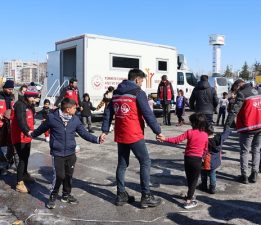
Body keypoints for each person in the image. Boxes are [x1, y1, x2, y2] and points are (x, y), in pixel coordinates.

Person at [101, 69, 162, 208]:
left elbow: (108, 112)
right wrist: (157, 131)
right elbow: (148, 113)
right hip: (134, 134)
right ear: (136, 80)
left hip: (121, 134)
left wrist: (105, 130)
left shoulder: (116, 93)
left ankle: (121, 195)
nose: (141, 84)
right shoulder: (138, 93)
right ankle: (146, 195)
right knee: (145, 162)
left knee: (122, 165)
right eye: (141, 81)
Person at [30, 98, 104, 209]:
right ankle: (53, 196)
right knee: (59, 176)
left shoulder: (75, 120)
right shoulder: (52, 118)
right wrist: (31, 134)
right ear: (68, 109)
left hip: (71, 153)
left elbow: (84, 133)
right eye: (75, 108)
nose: (77, 110)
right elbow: (40, 129)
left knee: (68, 176)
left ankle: (66, 195)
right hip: (57, 153)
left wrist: (97, 139)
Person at [157, 113, 208, 209]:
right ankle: (189, 201)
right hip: (197, 160)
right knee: (194, 180)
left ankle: (190, 195)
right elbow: (205, 150)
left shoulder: (189, 132)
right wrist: (203, 158)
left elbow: (176, 140)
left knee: (189, 178)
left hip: (188, 158)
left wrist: (165, 139)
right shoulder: (205, 135)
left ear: (194, 123)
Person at [225, 79, 261, 184]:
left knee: (245, 151)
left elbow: (234, 110)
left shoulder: (242, 94)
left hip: (248, 127)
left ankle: (244, 176)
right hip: (259, 125)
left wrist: (227, 125)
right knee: (256, 150)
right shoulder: (258, 91)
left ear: (238, 85)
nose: (235, 91)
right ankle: (254, 173)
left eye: (235, 88)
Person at [11, 85, 39, 193]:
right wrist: (27, 131)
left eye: (36, 97)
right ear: (28, 96)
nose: (35, 99)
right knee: (22, 159)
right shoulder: (20, 105)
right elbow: (21, 121)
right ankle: (19, 183)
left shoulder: (29, 104)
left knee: (26, 157)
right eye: (33, 97)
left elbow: (30, 118)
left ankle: (25, 174)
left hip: (27, 136)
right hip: (20, 136)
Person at [200, 126, 230, 194]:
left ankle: (203, 185)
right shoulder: (219, 138)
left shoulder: (204, 140)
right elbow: (225, 135)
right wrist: (228, 129)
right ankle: (212, 188)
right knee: (212, 173)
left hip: (206, 161)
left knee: (203, 172)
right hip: (216, 161)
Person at [0, 80, 17, 174]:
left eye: (12, 89)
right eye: (9, 89)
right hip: (0, 124)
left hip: (9, 123)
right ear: (4, 88)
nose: (10, 91)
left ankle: (9, 162)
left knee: (10, 143)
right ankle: (2, 165)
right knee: (1, 145)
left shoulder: (12, 97)